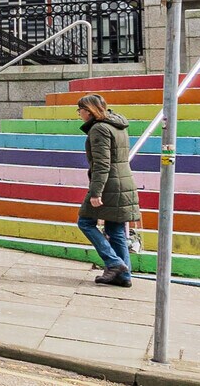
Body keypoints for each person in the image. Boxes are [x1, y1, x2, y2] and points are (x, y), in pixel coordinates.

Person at [78, 94, 141, 286]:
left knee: (85, 222)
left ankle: (114, 263)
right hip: (123, 181)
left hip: (109, 185)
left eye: (80, 110)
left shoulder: (99, 129)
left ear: (88, 111)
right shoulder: (117, 125)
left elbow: (102, 164)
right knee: (116, 230)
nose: (79, 114)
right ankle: (124, 276)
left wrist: (96, 192)